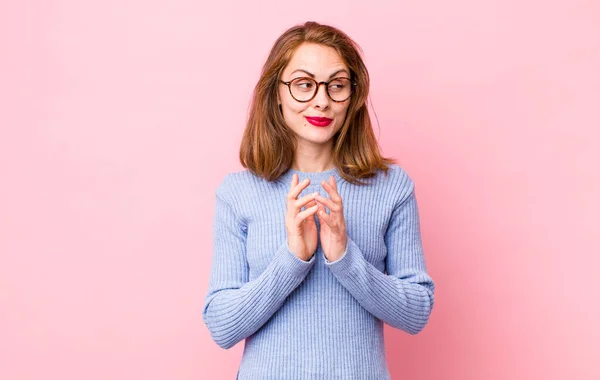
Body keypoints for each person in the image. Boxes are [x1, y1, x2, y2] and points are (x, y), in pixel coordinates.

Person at [202, 21, 435, 379]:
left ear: (352, 96)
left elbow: (417, 311)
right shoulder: (238, 193)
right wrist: (293, 259)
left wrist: (344, 255)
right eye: (303, 85)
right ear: (275, 92)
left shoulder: (392, 187)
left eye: (337, 85)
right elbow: (222, 325)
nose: (322, 100)